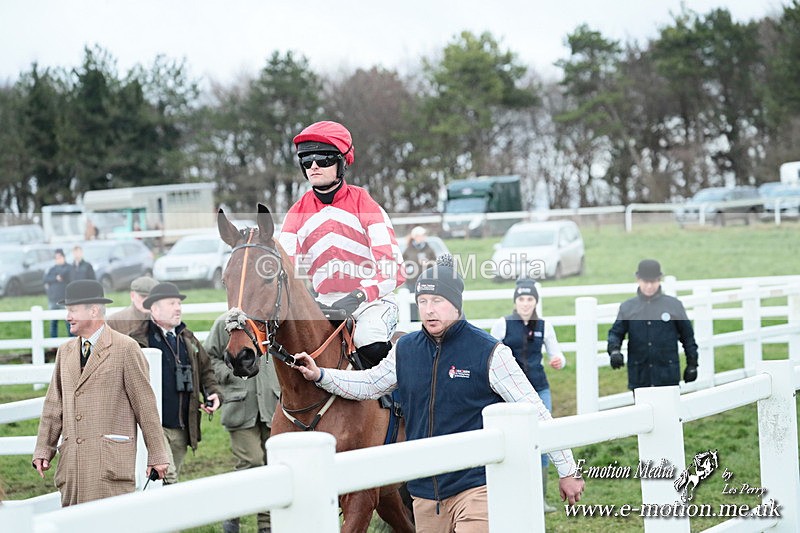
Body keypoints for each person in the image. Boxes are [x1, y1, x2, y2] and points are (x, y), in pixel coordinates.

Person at [292, 256, 585, 529]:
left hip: (476, 487)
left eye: (438, 301)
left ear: (456, 304)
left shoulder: (490, 352)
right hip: (425, 494)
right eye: (423, 300)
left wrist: (567, 469)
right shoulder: (405, 350)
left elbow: (535, 409)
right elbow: (370, 383)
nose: (429, 309)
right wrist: (321, 375)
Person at [278, 120, 405, 368]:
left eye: (323, 159)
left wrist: (358, 295)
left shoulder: (365, 204)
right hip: (324, 304)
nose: (314, 166)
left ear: (342, 162)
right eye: (306, 161)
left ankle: (395, 406)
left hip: (372, 303)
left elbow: (394, 269)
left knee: (370, 340)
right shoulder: (296, 213)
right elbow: (284, 268)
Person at [31, 280, 169, 506]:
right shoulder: (65, 352)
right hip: (73, 467)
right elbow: (54, 405)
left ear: (93, 310)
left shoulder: (126, 348)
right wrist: (44, 449)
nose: (67, 317)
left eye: (73, 310)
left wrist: (157, 455)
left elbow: (145, 405)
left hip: (109, 465)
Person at [129, 282, 222, 484]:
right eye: (172, 303)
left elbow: (206, 369)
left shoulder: (188, 337)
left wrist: (212, 392)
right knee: (169, 477)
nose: (178, 308)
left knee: (169, 478)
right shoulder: (138, 341)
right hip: (154, 425)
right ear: (154, 308)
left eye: (179, 303)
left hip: (182, 425)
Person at [490, 278, 567, 513]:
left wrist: (559, 361)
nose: (525, 303)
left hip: (539, 389)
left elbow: (558, 355)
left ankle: (539, 499)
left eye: (530, 299)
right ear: (515, 301)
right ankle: (508, 496)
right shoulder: (502, 324)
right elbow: (490, 355)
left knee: (542, 439)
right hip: (508, 392)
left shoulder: (545, 325)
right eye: (521, 299)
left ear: (535, 301)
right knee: (509, 442)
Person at [206, 313, 281, 533]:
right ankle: (232, 512)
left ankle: (266, 526)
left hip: (273, 406)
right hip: (240, 406)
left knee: (273, 467)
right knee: (252, 462)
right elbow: (209, 358)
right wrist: (232, 373)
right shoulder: (224, 323)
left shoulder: (272, 324)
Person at [607, 259, 699, 390]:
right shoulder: (628, 308)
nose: (649, 286)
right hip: (640, 375)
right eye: (645, 282)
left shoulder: (673, 306)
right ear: (638, 279)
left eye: (653, 282)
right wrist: (614, 350)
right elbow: (616, 332)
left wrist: (692, 364)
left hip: (667, 375)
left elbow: (687, 336)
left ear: (659, 280)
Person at [403, 226, 437, 321]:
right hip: (412, 281)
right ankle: (413, 323)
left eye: (424, 235)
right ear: (415, 236)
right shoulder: (408, 249)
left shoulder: (429, 249)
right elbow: (403, 263)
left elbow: (435, 263)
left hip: (426, 281)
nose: (423, 237)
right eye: (421, 235)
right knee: (413, 304)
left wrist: (428, 263)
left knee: (427, 304)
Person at [43, 248, 71, 338]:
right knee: (53, 322)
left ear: (63, 257)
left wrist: (56, 277)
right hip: (53, 299)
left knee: (69, 322)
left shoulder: (69, 268)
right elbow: (46, 279)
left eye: (59, 257)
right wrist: (56, 278)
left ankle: (72, 342)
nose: (58, 259)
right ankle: (53, 344)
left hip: (64, 300)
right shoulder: (52, 269)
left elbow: (66, 275)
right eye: (56, 258)